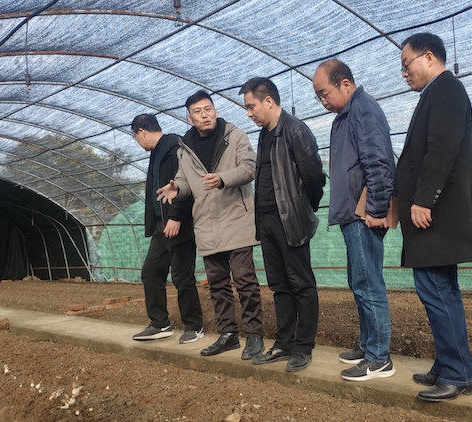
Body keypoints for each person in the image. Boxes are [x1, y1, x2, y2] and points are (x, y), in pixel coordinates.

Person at [396, 33, 472, 401]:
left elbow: (441, 148)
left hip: (436, 214)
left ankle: (458, 373)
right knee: (440, 289)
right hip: (434, 213)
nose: (403, 72)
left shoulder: (447, 90)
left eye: (406, 64)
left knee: (436, 290)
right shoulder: (434, 94)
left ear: (428, 57)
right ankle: (448, 363)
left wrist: (423, 199)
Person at [157, 91, 265, 360]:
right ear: (189, 117)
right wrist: (177, 187)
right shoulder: (185, 148)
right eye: (198, 111)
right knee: (217, 284)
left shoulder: (235, 136)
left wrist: (222, 178)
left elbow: (250, 167)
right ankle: (228, 334)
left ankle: (254, 335)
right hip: (206, 222)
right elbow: (184, 179)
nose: (205, 115)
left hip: (236, 218)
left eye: (208, 109)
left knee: (245, 281)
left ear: (215, 111)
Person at [312, 59, 397, 381]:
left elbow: (378, 161)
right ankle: (367, 344)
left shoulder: (363, 109)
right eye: (318, 96)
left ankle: (379, 358)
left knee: (368, 283)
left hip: (363, 214)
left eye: (324, 93)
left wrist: (375, 209)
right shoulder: (347, 113)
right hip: (353, 212)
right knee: (359, 281)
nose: (322, 100)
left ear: (345, 83)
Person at [238, 77, 326, 372]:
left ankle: (303, 347)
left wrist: (301, 209)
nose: (249, 113)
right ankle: (284, 343)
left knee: (301, 284)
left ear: (268, 101)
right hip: (266, 221)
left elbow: (314, 177)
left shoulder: (295, 131)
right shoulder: (265, 134)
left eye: (251, 106)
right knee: (279, 286)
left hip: (289, 219)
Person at [130, 113, 204, 344]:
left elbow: (183, 184)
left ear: (141, 132)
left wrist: (176, 216)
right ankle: (160, 323)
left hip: (178, 223)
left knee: (182, 276)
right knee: (151, 272)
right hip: (161, 226)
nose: (137, 141)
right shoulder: (157, 152)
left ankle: (194, 326)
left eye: (135, 137)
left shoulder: (174, 147)